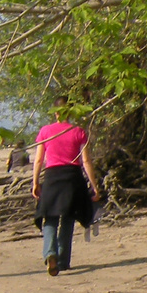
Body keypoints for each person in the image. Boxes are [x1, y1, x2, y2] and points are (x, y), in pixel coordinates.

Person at [31, 97, 101, 276]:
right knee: (68, 218)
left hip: (53, 176)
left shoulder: (46, 131)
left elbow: (39, 159)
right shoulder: (78, 131)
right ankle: (63, 260)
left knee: (50, 217)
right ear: (70, 112)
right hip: (72, 177)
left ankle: (50, 253)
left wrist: (35, 182)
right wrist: (94, 186)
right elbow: (86, 161)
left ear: (55, 113)